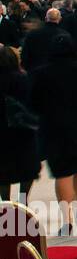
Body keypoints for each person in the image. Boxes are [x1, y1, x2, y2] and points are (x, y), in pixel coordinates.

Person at [30, 33, 77, 233]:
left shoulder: (40, 73)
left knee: (62, 174)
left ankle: (67, 220)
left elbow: (33, 103)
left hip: (53, 128)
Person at [0, 45, 39, 204]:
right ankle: (23, 200)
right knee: (27, 169)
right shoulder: (23, 78)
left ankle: (6, 202)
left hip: (2, 133)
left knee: (2, 172)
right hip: (23, 131)